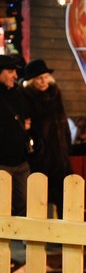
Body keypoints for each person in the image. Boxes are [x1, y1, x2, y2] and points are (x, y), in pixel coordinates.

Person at [22, 59, 73, 215]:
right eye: (39, 78)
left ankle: (65, 235)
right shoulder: (26, 97)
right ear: (31, 81)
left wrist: (67, 144)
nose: (43, 81)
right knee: (41, 199)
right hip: (41, 156)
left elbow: (62, 122)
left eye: (45, 76)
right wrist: (37, 146)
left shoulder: (55, 93)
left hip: (60, 154)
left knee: (66, 196)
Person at [0, 55, 31, 216]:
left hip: (21, 163)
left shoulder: (18, 94)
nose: (15, 76)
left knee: (25, 207)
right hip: (1, 164)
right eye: (11, 71)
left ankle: (24, 241)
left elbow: (27, 120)